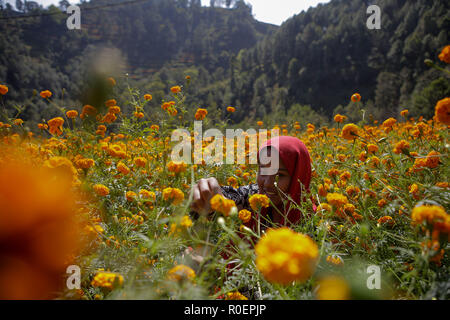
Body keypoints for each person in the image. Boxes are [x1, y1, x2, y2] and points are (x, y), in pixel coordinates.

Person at [190, 135, 314, 231]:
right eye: (264, 170)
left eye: (280, 175)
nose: (268, 183)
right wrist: (208, 195)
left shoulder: (314, 222)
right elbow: (230, 197)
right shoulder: (253, 198)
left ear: (299, 176)